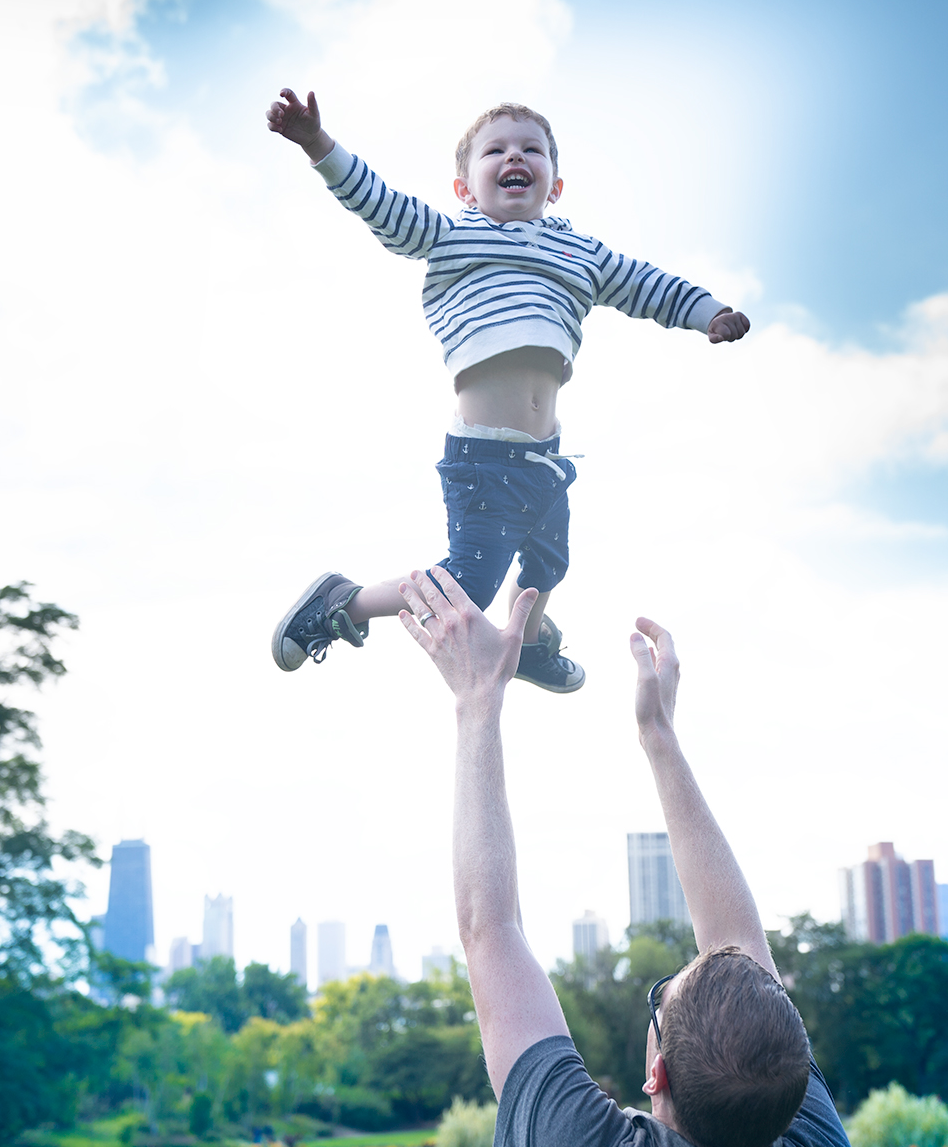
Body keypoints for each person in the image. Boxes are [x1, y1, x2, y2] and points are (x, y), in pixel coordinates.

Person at [398, 565, 861, 1147]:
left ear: (656, 1070)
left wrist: (478, 700)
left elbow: (490, 928)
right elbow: (736, 954)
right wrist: (657, 739)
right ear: (794, 1076)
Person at [265, 91, 750, 694]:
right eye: (495, 150)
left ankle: (526, 644)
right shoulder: (452, 236)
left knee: (550, 563)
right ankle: (345, 601)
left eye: (531, 149)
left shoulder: (581, 254)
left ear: (555, 184)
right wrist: (317, 143)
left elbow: (647, 285)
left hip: (545, 456)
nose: (513, 156)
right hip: (486, 456)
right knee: (470, 582)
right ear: (466, 188)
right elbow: (382, 205)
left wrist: (708, 312)